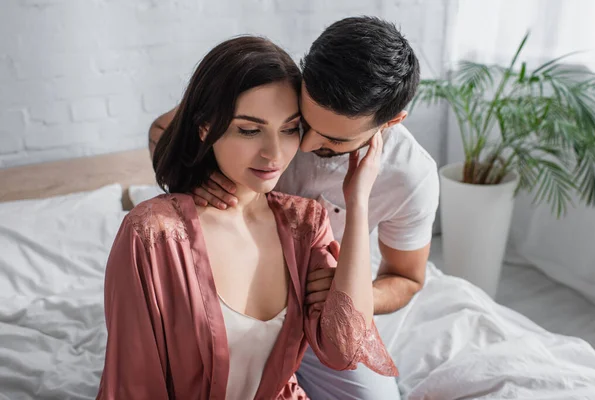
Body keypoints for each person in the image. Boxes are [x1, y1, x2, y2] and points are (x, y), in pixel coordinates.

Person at [149, 17, 439, 399]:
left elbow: (407, 278)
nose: (303, 146)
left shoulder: (411, 176)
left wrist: (345, 293)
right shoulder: (272, 96)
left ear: (391, 122)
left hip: (318, 314)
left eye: (333, 139)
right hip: (230, 294)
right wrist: (197, 175)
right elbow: (162, 131)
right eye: (300, 124)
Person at [98, 36, 398, 400]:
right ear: (206, 128)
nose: (275, 153)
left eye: (289, 129)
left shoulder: (305, 224)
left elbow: (343, 349)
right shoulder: (153, 235)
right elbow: (135, 386)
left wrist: (358, 200)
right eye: (249, 129)